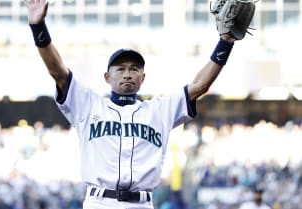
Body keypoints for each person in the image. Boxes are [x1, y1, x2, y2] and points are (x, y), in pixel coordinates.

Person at [25, 0, 238, 208]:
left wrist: (225, 42)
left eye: (134, 69)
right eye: (121, 69)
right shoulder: (88, 105)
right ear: (107, 77)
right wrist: (38, 27)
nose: (128, 74)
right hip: (100, 202)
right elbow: (58, 71)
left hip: (142, 203)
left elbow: (200, 85)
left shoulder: (160, 110)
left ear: (143, 77)